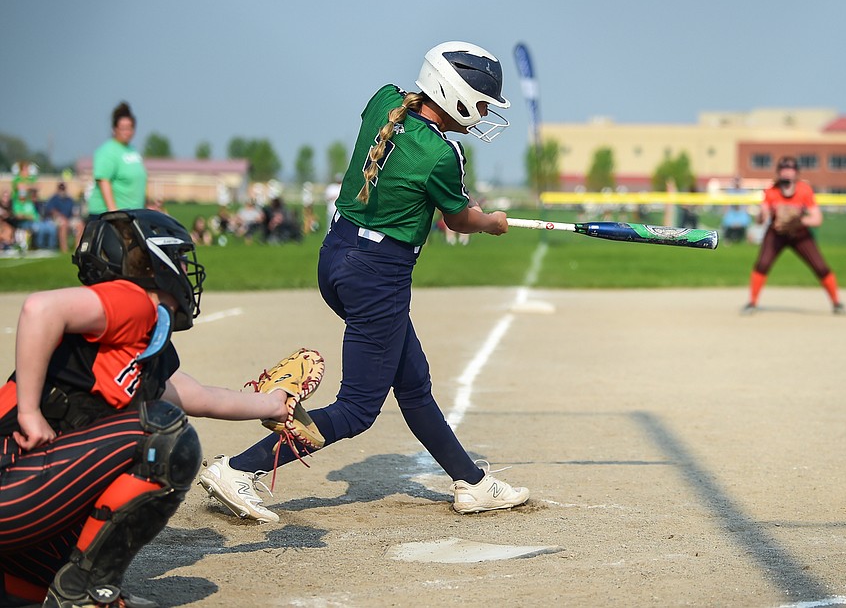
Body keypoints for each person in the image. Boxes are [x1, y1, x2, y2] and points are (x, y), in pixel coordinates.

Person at [196, 41, 529, 522]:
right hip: (378, 275)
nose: (480, 114)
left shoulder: (384, 101)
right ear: (454, 94)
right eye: (479, 102)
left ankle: (471, 483)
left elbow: (399, 162)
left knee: (413, 385)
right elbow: (459, 221)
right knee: (356, 409)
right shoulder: (443, 153)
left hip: (335, 260)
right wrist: (491, 222)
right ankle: (238, 470)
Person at [0, 209, 306, 607]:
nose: (185, 269)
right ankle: (86, 595)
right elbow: (40, 309)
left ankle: (45, 584)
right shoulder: (132, 299)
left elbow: (198, 397)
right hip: (13, 483)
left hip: (24, 495)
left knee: (38, 589)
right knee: (163, 436)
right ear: (152, 261)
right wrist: (29, 413)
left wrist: (272, 405)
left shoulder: (133, 347)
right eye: (178, 258)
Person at [742, 157, 845, 315]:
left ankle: (836, 302)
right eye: (784, 170)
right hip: (777, 233)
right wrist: (762, 214)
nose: (787, 173)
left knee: (820, 267)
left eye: (790, 170)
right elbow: (761, 219)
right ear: (778, 173)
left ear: (796, 173)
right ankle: (752, 302)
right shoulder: (772, 191)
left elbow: (817, 219)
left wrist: (798, 220)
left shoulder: (804, 190)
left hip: (799, 233)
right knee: (762, 264)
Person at [87, 102, 147, 216]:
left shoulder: (132, 149)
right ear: (115, 129)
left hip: (131, 214)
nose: (127, 132)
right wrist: (113, 213)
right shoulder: (108, 150)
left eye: (130, 128)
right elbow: (104, 180)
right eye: (123, 128)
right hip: (108, 216)